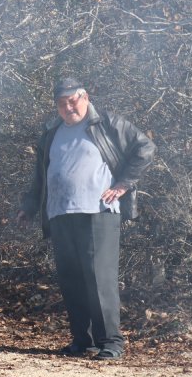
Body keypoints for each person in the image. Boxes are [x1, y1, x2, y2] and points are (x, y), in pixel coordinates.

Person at [17, 77, 156, 360]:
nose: (69, 106)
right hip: (60, 213)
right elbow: (40, 176)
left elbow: (145, 148)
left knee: (99, 279)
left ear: (85, 97)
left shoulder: (106, 123)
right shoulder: (51, 133)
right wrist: (30, 206)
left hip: (98, 212)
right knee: (72, 279)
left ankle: (112, 343)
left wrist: (123, 184)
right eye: (62, 103)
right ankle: (84, 341)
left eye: (73, 100)